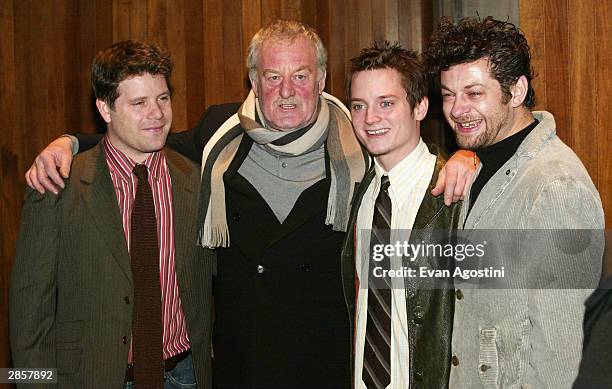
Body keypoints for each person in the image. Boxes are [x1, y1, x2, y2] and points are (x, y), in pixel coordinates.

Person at [22, 20, 475, 388]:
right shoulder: (217, 136)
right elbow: (138, 137)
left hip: (330, 362)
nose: (286, 90)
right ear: (253, 81)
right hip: (240, 362)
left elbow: (485, 280)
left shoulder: (361, 152)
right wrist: (67, 141)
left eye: (300, 76)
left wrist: (470, 153)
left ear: (321, 80)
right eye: (272, 77)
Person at [10, 41, 213, 388]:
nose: (157, 114)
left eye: (163, 98)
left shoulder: (197, 179)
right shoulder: (57, 184)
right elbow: (29, 312)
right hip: (91, 377)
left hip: (187, 375)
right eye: (139, 103)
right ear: (105, 109)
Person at [425, 16, 605, 388]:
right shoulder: (476, 162)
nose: (457, 110)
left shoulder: (556, 187)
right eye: (448, 94)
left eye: (474, 94)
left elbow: (564, 356)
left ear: (517, 91)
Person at [342, 42, 460, 389]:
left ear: (421, 106)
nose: (370, 119)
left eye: (386, 103)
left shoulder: (453, 195)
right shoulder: (360, 195)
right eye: (359, 106)